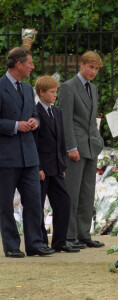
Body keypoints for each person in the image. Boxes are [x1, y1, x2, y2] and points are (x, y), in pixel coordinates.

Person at [0, 47, 54, 257]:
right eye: (30, 63)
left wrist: (35, 121)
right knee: (5, 204)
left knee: (33, 201)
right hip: (6, 157)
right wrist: (15, 126)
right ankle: (12, 246)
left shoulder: (27, 88)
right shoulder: (1, 86)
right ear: (19, 64)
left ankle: (35, 243)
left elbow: (34, 115)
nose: (33, 67)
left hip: (29, 156)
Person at [58, 51, 105, 249]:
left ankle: (83, 234)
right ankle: (69, 236)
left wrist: (97, 140)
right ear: (82, 64)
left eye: (96, 69)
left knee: (87, 192)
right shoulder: (68, 87)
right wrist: (71, 147)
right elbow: (65, 120)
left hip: (91, 146)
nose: (93, 71)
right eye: (91, 67)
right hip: (76, 147)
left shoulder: (93, 88)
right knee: (72, 192)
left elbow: (92, 120)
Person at [34, 76, 80, 253]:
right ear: (42, 93)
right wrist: (38, 167)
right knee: (38, 205)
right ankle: (41, 242)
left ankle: (59, 242)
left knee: (64, 202)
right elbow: (34, 143)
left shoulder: (57, 113)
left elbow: (61, 143)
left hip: (56, 168)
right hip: (42, 169)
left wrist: (62, 166)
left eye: (56, 91)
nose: (55, 95)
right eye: (52, 92)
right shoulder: (35, 112)